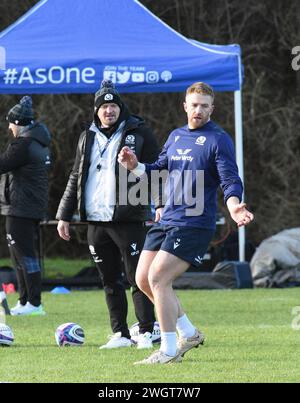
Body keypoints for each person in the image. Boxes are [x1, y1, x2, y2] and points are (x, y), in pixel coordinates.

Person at [118, 81, 254, 364]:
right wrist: (134, 166)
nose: (199, 110)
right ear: (185, 106)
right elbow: (158, 170)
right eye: (194, 105)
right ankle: (188, 332)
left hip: (193, 222)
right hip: (166, 217)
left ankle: (169, 350)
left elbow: (230, 181)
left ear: (212, 108)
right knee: (142, 279)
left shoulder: (218, 139)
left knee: (158, 279)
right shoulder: (176, 136)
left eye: (204, 106)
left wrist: (234, 207)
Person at [56, 80, 160, 349]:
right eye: (104, 106)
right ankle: (121, 334)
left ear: (120, 107)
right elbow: (76, 176)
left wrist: (160, 204)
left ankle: (146, 332)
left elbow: (157, 171)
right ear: (96, 110)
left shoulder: (138, 132)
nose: (109, 111)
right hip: (95, 220)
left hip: (128, 217)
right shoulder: (86, 136)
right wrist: (64, 215)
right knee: (109, 279)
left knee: (138, 278)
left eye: (113, 105)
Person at [0, 96, 51, 316]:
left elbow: (2, 165)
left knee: (25, 255)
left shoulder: (24, 145)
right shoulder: (35, 141)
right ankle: (24, 300)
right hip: (25, 206)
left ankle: (34, 303)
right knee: (18, 255)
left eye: (11, 123)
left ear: (19, 123)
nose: (10, 127)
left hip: (21, 207)